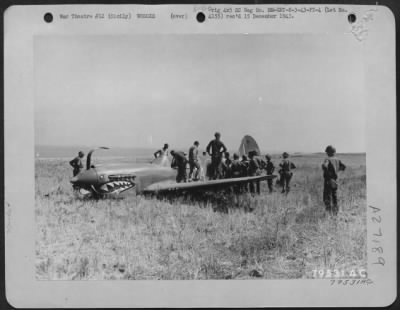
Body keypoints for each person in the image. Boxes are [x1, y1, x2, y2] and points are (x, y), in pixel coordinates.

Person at [322, 145, 346, 215]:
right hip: (335, 180)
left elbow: (324, 166)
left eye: (327, 152)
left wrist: (329, 175)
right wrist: (336, 171)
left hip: (328, 181)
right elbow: (344, 167)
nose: (326, 153)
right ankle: (336, 211)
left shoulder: (327, 159)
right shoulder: (337, 160)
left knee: (327, 196)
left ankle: (328, 212)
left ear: (328, 152)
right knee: (334, 196)